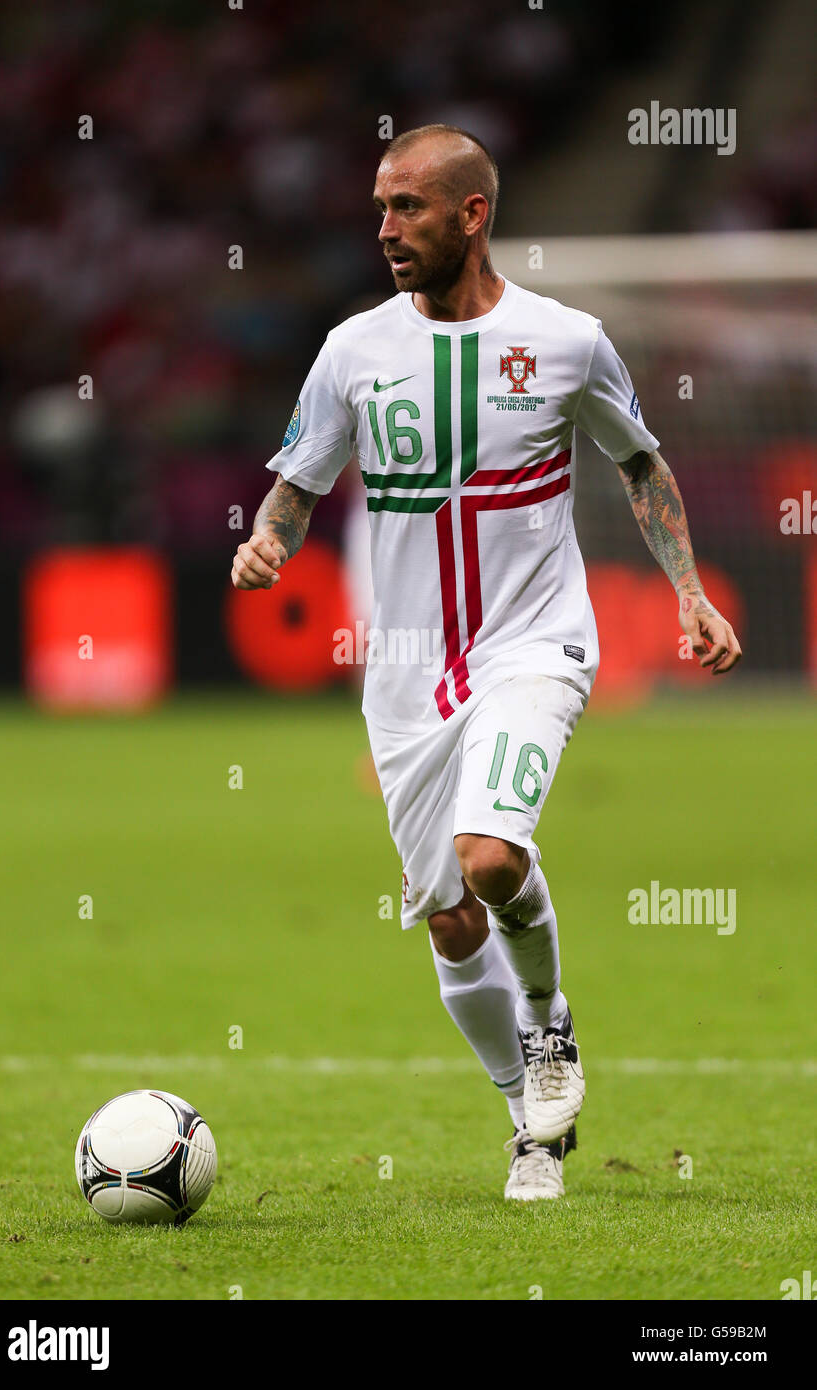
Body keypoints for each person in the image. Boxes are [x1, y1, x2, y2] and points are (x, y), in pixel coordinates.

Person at [230, 124, 742, 1200]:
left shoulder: (567, 341)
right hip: (408, 669)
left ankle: (549, 1025)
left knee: (493, 858)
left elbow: (640, 462)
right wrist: (271, 534)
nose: (384, 230)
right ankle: (528, 1122)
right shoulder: (353, 351)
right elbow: (299, 478)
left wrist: (688, 591)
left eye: (408, 207)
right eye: (379, 206)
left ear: (473, 215)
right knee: (451, 916)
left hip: (534, 640)